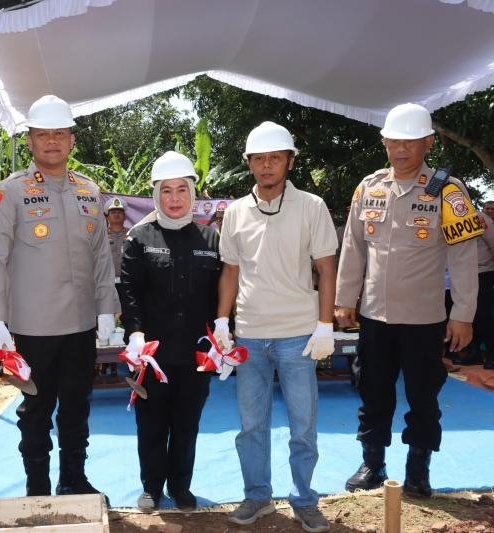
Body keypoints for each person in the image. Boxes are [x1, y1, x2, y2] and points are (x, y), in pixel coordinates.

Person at [336, 103, 481, 498]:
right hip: (374, 318)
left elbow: (464, 257)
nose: (401, 149)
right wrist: (344, 299)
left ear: (428, 143)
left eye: (410, 141)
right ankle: (372, 463)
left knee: (423, 396)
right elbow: (353, 247)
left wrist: (463, 315)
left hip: (424, 319)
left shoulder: (448, 192)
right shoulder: (369, 187)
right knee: (372, 391)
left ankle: (418, 468)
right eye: (394, 141)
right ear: (384, 142)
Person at [0, 95, 120, 501]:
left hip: (80, 325)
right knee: (36, 412)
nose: (52, 142)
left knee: (77, 407)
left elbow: (100, 255)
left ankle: (73, 480)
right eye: (43, 134)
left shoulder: (88, 191)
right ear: (30, 141)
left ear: (72, 139)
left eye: (59, 133)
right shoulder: (11, 192)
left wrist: (107, 310)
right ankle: (38, 487)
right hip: (33, 326)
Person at [216, 121, 336, 532]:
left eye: (275, 158)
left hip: (299, 334)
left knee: (303, 425)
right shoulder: (234, 212)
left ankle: (304, 499)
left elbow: (326, 266)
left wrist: (325, 324)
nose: (267, 166)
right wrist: (221, 320)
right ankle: (258, 496)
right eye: (259, 159)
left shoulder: (312, 206)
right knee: (251, 426)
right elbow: (230, 271)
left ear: (289, 161)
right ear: (249, 163)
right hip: (250, 333)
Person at [119, 151, 222, 511]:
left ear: (193, 194)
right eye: (166, 191)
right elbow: (128, 291)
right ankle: (151, 487)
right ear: (156, 195)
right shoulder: (139, 238)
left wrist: (223, 334)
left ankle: (181, 487)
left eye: (182, 189)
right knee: (151, 424)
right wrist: (134, 333)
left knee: (186, 424)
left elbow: (223, 295)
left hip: (195, 355)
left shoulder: (211, 240)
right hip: (152, 357)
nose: (174, 198)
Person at [102, 197, 128, 379]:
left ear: (125, 216)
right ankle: (106, 362)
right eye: (113, 212)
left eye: (119, 212)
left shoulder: (132, 235)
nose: (116, 215)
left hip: (127, 285)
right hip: (108, 285)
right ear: (107, 216)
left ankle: (127, 360)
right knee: (106, 322)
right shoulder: (101, 236)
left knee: (126, 321)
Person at [476, 210, 494, 369]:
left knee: (483, 315)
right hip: (460, 275)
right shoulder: (446, 217)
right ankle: (473, 353)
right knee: (471, 317)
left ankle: (491, 354)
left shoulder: (479, 218)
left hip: (483, 272)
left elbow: (493, 243)